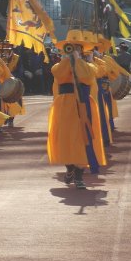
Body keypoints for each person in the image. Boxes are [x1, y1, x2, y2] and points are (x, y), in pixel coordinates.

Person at [46, 30, 107, 188]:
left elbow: (86, 77)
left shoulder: (89, 66)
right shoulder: (58, 66)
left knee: (83, 137)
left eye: (77, 48)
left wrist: (77, 61)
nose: (74, 50)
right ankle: (70, 168)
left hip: (83, 105)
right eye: (71, 47)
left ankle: (79, 175)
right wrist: (68, 61)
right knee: (66, 137)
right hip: (65, 105)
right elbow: (59, 75)